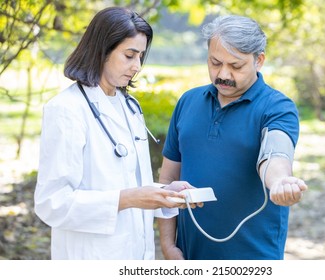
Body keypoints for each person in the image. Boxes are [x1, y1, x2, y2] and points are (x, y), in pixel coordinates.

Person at [34, 7, 196, 260]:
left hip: (136, 254)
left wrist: (164, 193)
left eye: (141, 56)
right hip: (90, 256)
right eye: (129, 55)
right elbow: (52, 203)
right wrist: (128, 198)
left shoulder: (130, 106)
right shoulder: (67, 109)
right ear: (101, 50)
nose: (137, 66)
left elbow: (126, 181)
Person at [157, 15, 308, 260]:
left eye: (235, 66)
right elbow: (169, 177)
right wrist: (168, 245)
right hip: (188, 255)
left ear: (259, 60)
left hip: (254, 258)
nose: (223, 74)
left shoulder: (277, 106)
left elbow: (275, 152)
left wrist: (280, 181)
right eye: (215, 63)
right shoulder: (188, 101)